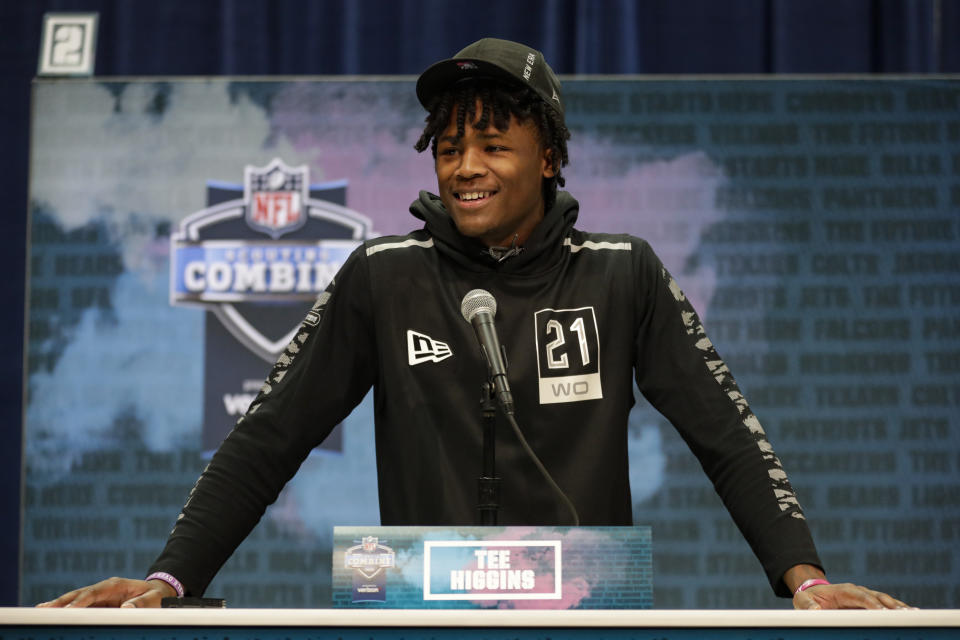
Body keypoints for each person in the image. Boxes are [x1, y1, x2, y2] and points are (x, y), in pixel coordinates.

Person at [38, 38, 908, 611]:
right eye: (450, 147)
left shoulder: (621, 271)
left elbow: (729, 436)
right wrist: (170, 578)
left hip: (585, 620)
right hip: (419, 620)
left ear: (551, 153)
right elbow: (266, 439)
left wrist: (805, 578)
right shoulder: (385, 276)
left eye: (493, 143)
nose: (465, 168)